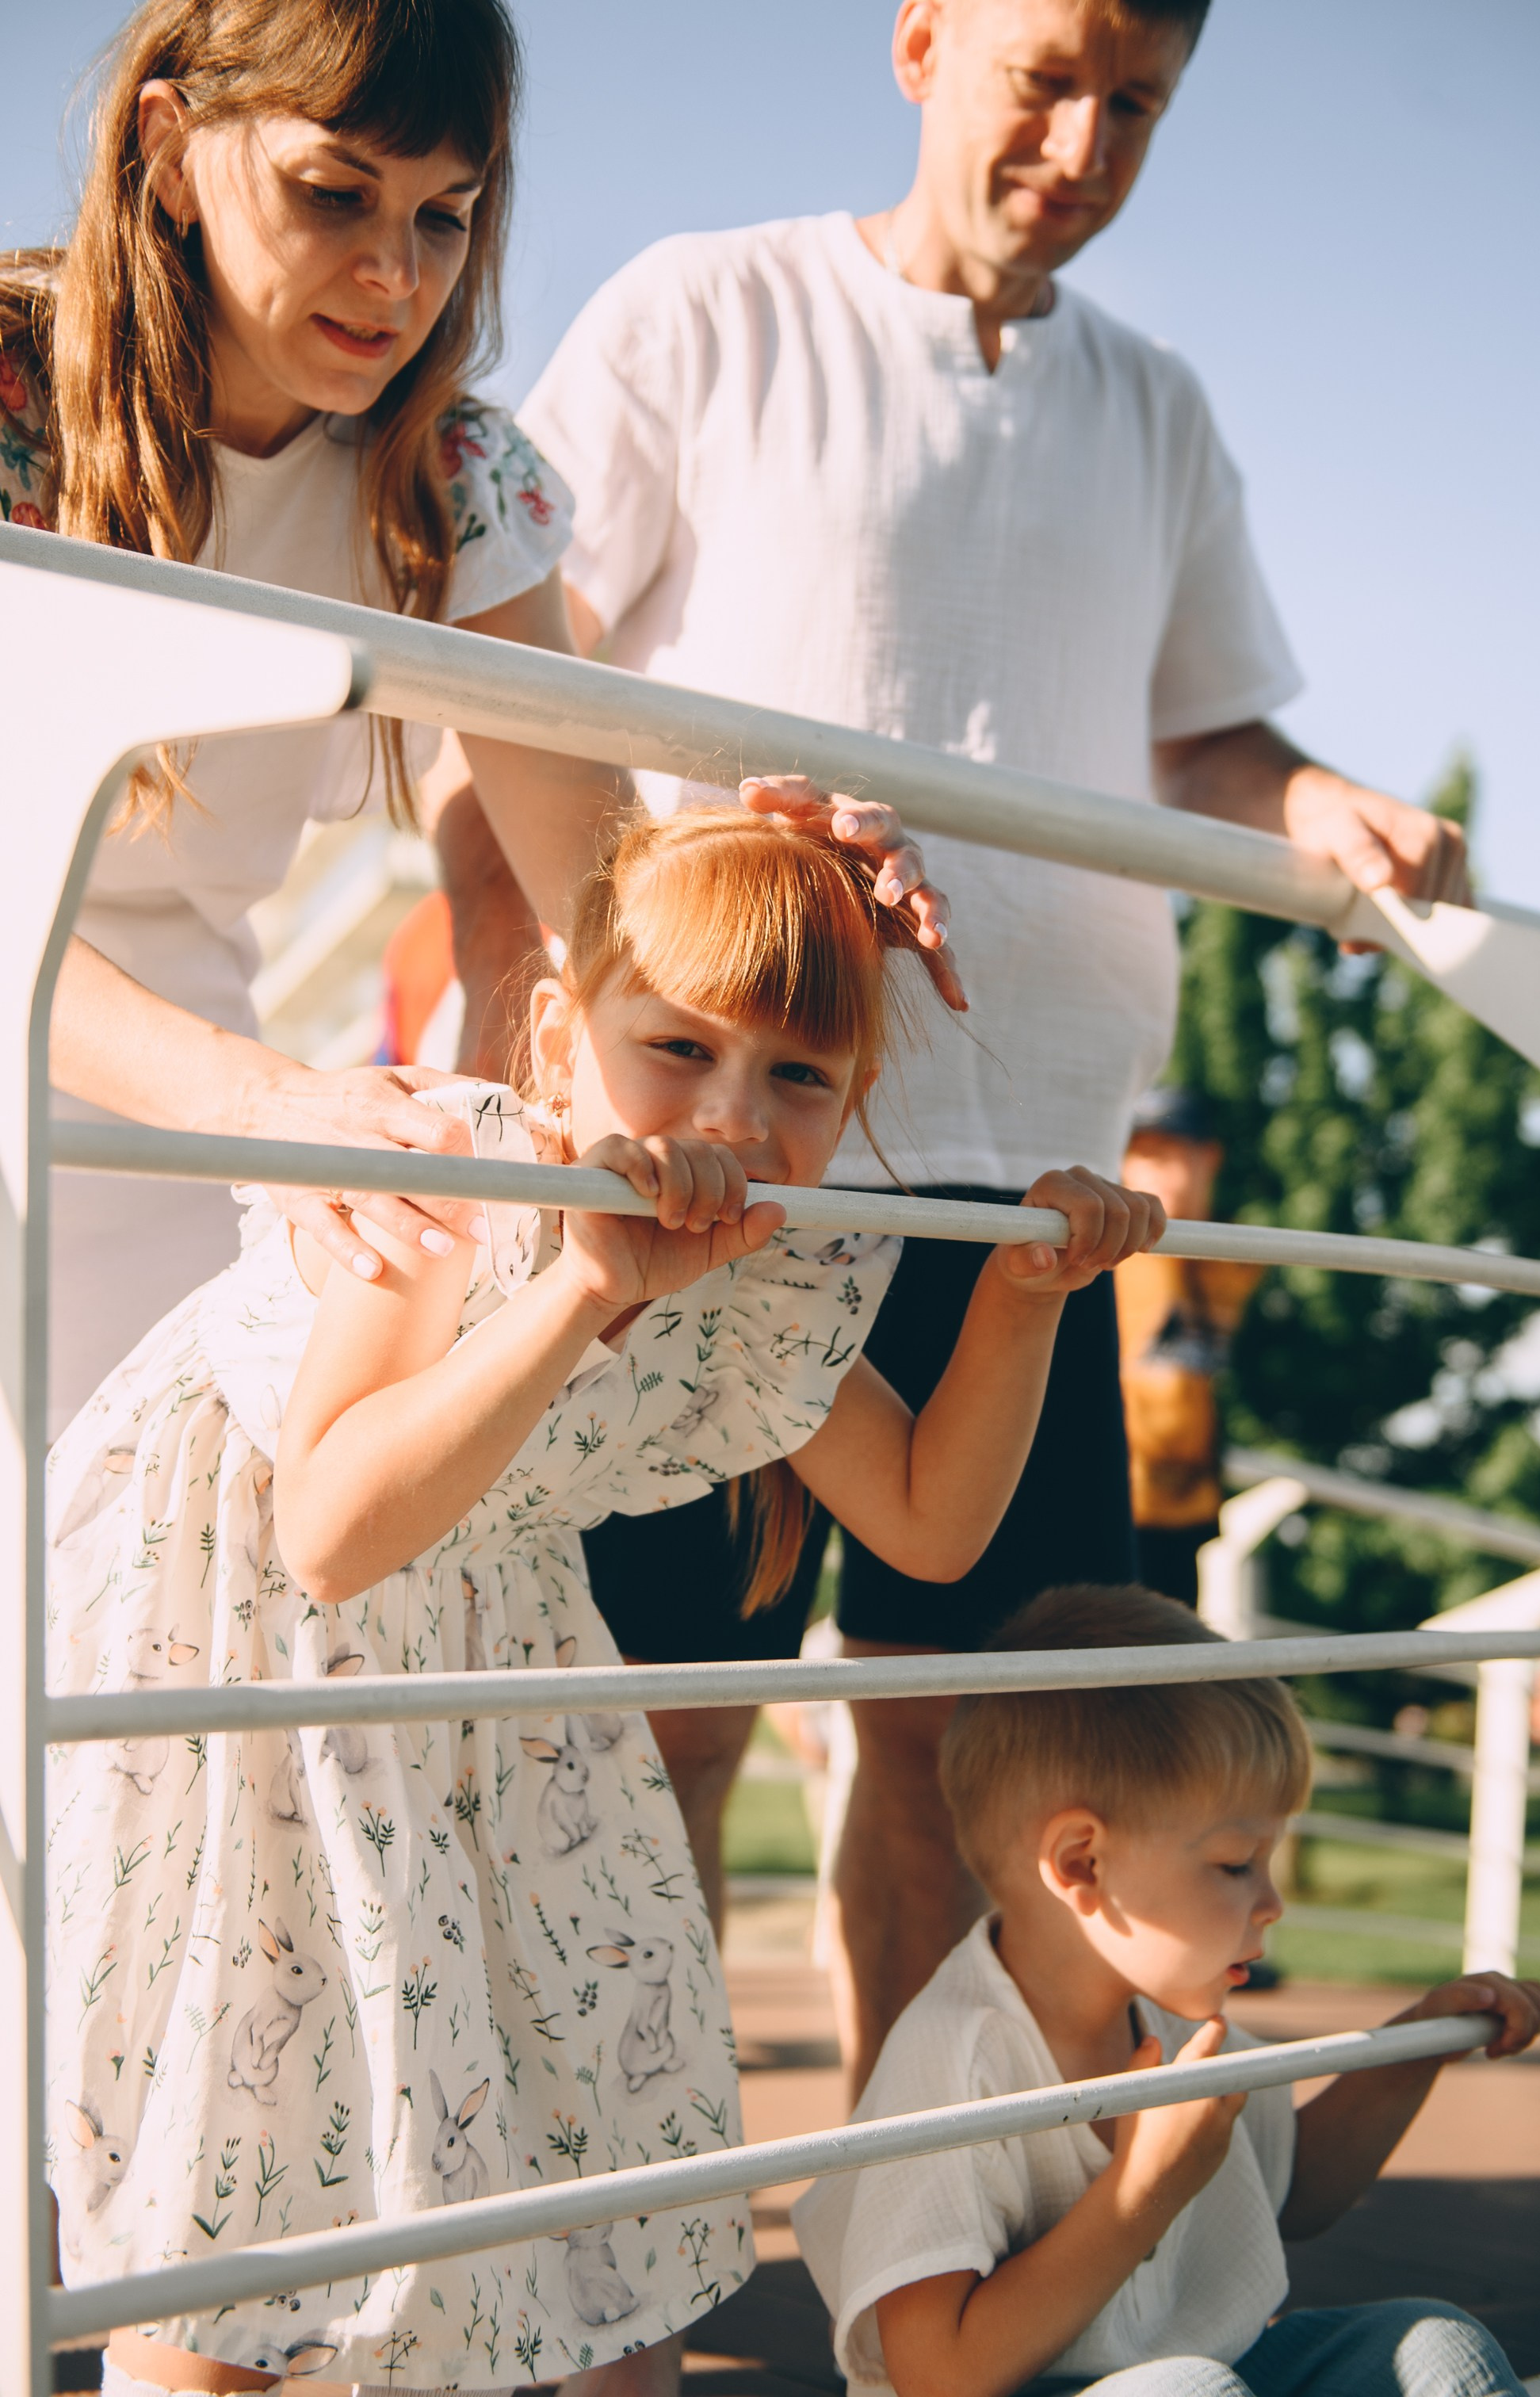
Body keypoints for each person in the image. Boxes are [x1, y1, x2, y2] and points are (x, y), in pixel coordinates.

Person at [456, 0, 1475, 2089]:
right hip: (730, 1161)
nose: (1089, 139)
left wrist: (1322, 805)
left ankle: (905, 2276)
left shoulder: (1156, 407)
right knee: (667, 1715)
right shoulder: (699, 313)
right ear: (923, 40)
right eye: (1052, 75)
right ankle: (610, 2237)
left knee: (968, 1766)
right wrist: (515, 1041)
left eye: (1144, 103)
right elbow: (500, 681)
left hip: (1032, 1191)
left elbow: (1211, 733)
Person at [48, 809, 1163, 2397]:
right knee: (269, 2081)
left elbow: (929, 1520)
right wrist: (582, 1288)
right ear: (566, 1039)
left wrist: (1021, 1307)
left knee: (594, 2057)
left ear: (855, 1106)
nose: (731, 1115)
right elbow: (330, 1529)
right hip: (258, 1641)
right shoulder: (448, 1173)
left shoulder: (768, 1272)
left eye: (798, 1079)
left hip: (499, 1635)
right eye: (679, 1047)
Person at [0, 0, 944, 1436]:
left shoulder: (448, 472)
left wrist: (778, 876)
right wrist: (270, 1106)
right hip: (201, 1101)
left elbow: (599, 884)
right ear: (172, 149)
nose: (393, 275)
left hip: (205, 1152)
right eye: (335, 194)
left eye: (447, 216)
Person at [794, 1585, 1540, 2397]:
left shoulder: (1165, 2008)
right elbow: (936, 2376)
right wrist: (1142, 2193)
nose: (1272, 1902)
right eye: (1234, 1864)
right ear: (1084, 1863)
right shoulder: (956, 2057)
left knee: (1436, 2350)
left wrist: (1416, 2048)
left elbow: (1293, 2192)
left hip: (1212, 2371)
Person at [1118, 1088, 1259, 1607]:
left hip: (1187, 1506)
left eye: (1170, 1154)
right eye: (1140, 1155)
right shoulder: (1109, 1260)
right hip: (1113, 1503)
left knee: (1168, 1669)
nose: (1154, 1172)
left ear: (1209, 1159)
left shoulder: (1230, 1259)